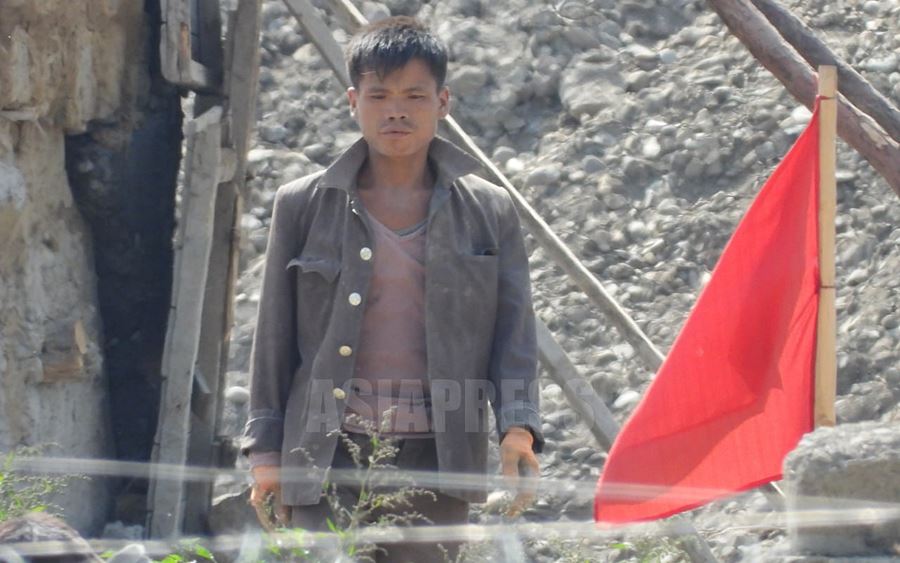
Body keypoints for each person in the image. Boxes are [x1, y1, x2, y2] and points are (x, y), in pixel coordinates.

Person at [241, 16, 542, 562]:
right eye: (379, 95)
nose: (396, 110)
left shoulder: (489, 210)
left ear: (443, 102)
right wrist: (265, 451)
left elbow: (514, 334)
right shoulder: (303, 205)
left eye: (414, 96)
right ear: (352, 101)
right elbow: (274, 339)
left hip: (439, 456)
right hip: (327, 450)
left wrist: (517, 429)